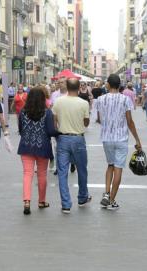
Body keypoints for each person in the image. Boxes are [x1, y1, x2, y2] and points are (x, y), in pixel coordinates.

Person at [95, 74, 142, 209]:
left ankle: (106, 193)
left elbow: (98, 119)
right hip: (121, 138)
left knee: (110, 165)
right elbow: (130, 121)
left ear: (108, 85)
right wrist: (137, 139)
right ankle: (111, 200)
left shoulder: (101, 99)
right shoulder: (125, 100)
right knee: (118, 168)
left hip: (107, 138)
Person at [52, 78, 92, 214]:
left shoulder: (58, 101)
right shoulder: (84, 103)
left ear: (67, 87)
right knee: (82, 170)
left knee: (62, 172)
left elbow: (54, 122)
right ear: (79, 87)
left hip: (62, 138)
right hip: (78, 139)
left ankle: (66, 204)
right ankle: (82, 198)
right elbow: (86, 123)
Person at [17, 87, 58, 215]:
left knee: (27, 173)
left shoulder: (23, 112)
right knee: (42, 174)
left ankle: (27, 201)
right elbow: (51, 131)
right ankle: (41, 201)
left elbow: (21, 129)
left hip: (26, 145)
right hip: (43, 146)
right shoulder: (47, 112)